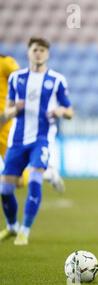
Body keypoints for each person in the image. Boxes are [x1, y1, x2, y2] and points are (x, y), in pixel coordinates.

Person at [0, 37, 74, 245]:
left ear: (47, 54)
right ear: (28, 52)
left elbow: (70, 111)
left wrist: (60, 111)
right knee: (5, 190)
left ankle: (25, 230)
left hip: (41, 139)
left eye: (42, 50)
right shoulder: (16, 78)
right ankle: (12, 226)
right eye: (35, 49)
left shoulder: (57, 80)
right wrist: (16, 109)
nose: (38, 53)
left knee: (34, 181)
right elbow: (6, 112)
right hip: (17, 139)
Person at [0, 54, 65, 194]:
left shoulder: (5, 63)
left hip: (3, 126)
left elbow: (24, 81)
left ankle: (46, 173)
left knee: (16, 180)